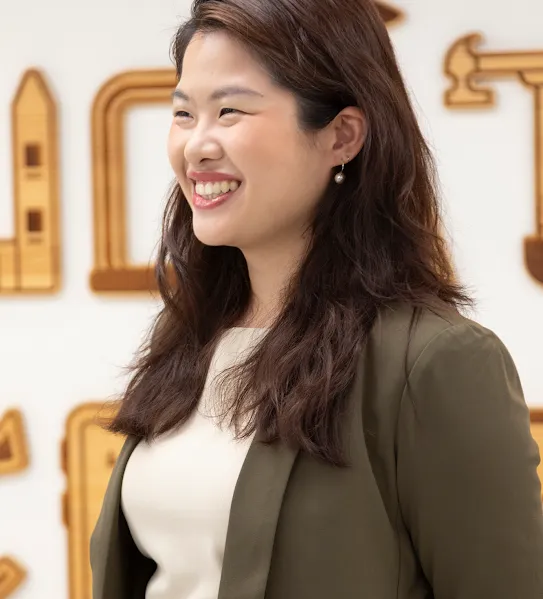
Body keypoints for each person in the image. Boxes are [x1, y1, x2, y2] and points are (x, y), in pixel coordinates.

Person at [90, 0, 543, 597]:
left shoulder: (434, 364)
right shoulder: (192, 342)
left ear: (341, 135)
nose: (196, 146)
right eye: (183, 113)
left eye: (229, 111)